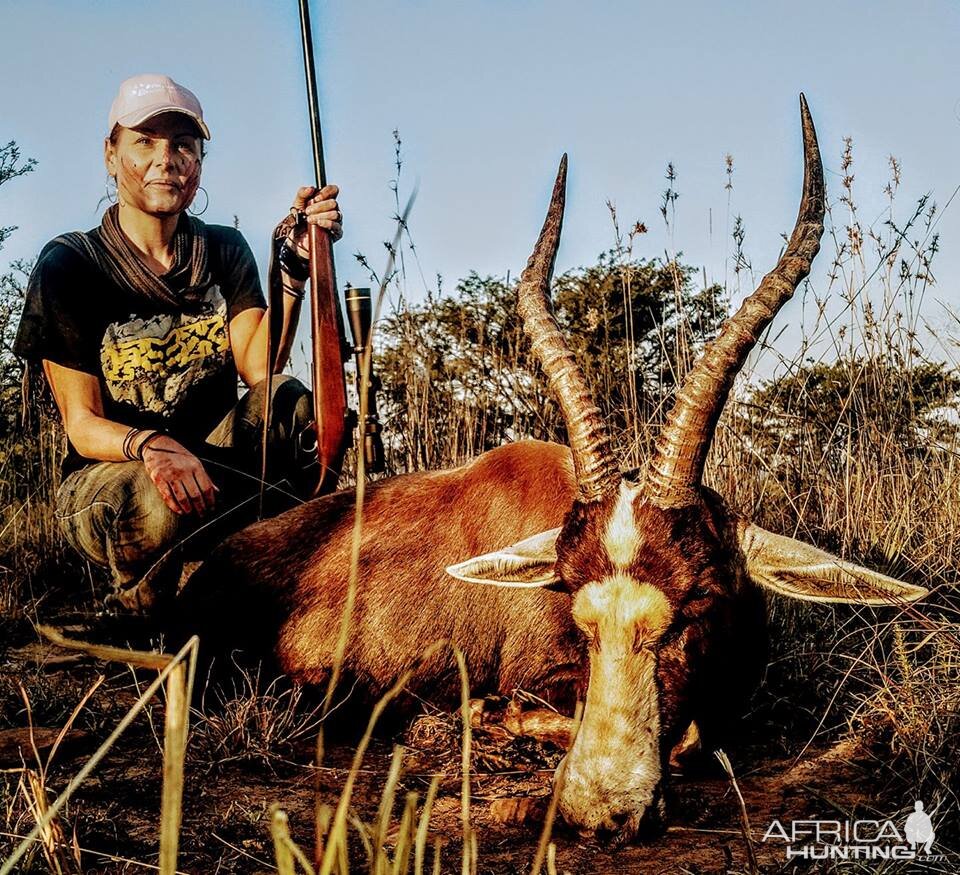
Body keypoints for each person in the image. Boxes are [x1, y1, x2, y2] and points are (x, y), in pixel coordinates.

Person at [14, 73, 343, 613]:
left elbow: (261, 369)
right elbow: (83, 424)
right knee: (151, 497)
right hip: (111, 477)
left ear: (198, 162)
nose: (165, 159)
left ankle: (279, 590)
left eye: (182, 145)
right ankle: (140, 610)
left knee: (290, 401)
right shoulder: (70, 263)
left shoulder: (224, 248)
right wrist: (155, 447)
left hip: (214, 465)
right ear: (110, 154)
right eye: (144, 141)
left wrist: (294, 269)